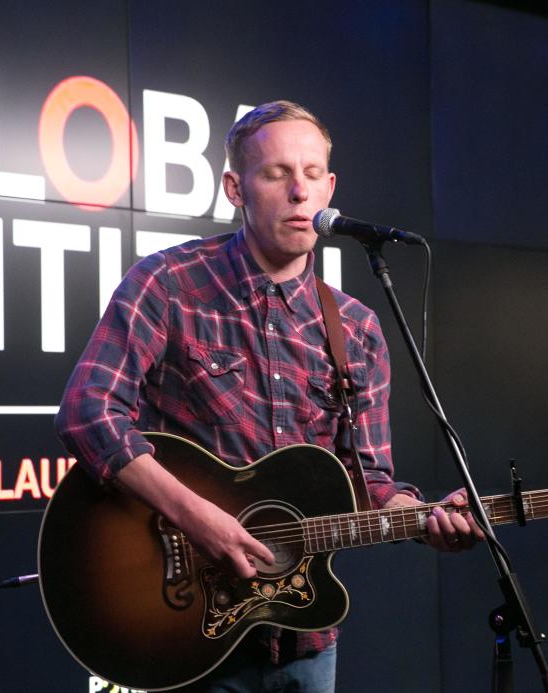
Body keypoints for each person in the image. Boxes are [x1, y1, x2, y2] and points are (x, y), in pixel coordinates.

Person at [55, 100, 484, 692]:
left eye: (312, 175)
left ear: (331, 187)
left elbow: (369, 482)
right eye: (276, 173)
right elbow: (87, 411)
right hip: (181, 627)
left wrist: (422, 520)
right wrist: (198, 517)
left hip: (305, 641)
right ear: (235, 187)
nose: (299, 193)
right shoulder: (168, 285)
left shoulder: (356, 328)